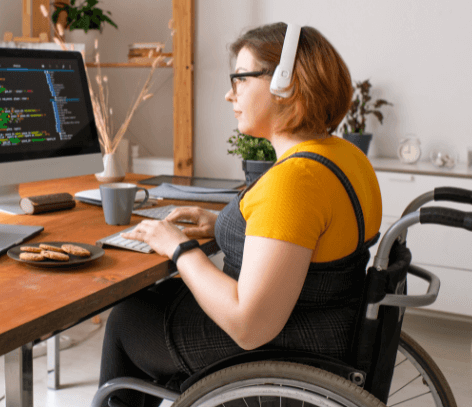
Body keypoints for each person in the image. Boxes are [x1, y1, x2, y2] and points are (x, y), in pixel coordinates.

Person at [98, 22, 382, 407]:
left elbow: (249, 326)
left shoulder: (295, 180)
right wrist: (221, 223)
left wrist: (179, 248)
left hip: (280, 344)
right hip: (324, 325)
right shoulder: (345, 156)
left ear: (286, 84)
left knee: (126, 321)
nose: (228, 94)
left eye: (241, 79)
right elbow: (308, 238)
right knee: (150, 302)